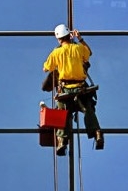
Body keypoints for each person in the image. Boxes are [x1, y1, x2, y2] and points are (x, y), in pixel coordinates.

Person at [43, 24, 104, 156]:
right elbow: (89, 53)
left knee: (62, 114)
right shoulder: (78, 48)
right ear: (68, 36)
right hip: (81, 88)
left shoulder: (56, 52)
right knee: (88, 109)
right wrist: (80, 38)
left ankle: (62, 141)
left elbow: (46, 67)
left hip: (66, 90)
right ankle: (97, 133)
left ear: (59, 39)